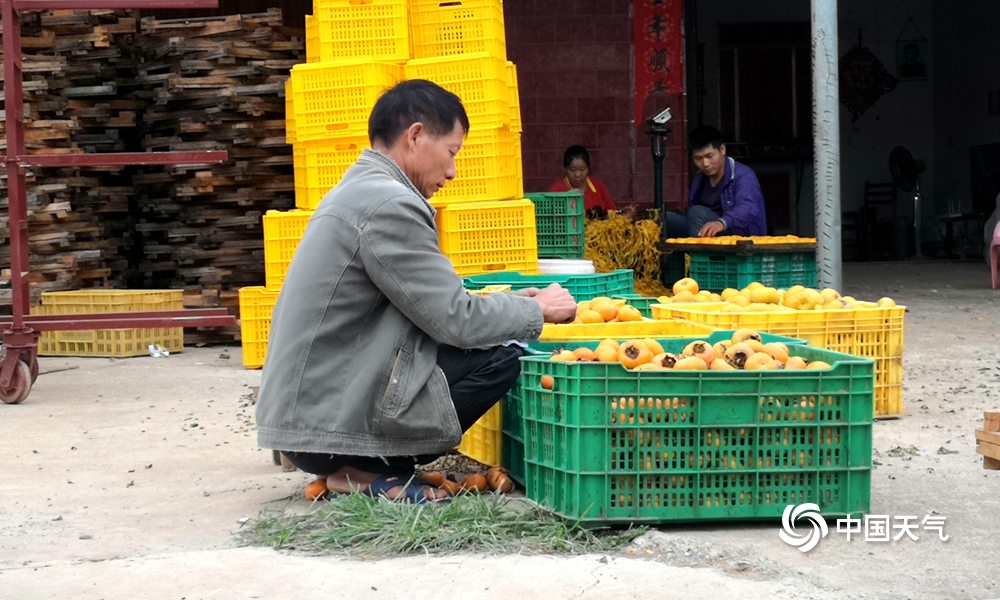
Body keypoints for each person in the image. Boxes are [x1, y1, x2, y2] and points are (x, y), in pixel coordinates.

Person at [255, 79, 577, 503]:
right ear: (416, 136)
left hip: (311, 418)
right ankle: (368, 468)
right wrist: (538, 313)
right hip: (325, 428)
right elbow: (453, 319)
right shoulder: (389, 203)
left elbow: (429, 305)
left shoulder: (360, 190)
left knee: (490, 338)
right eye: (451, 153)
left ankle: (362, 466)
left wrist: (516, 303)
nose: (451, 172)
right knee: (502, 357)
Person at [663, 125, 767, 238]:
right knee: (665, 219)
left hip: (735, 233)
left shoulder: (743, 175)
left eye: (709, 156)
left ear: (722, 150)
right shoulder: (699, 178)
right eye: (698, 159)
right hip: (702, 229)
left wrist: (722, 222)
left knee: (697, 213)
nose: (705, 164)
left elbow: (749, 208)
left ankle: (698, 255)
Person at [549, 144, 622, 219]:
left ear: (588, 168)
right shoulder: (557, 189)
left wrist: (625, 216)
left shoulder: (597, 185)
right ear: (565, 169)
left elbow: (613, 212)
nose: (578, 174)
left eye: (582, 169)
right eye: (573, 170)